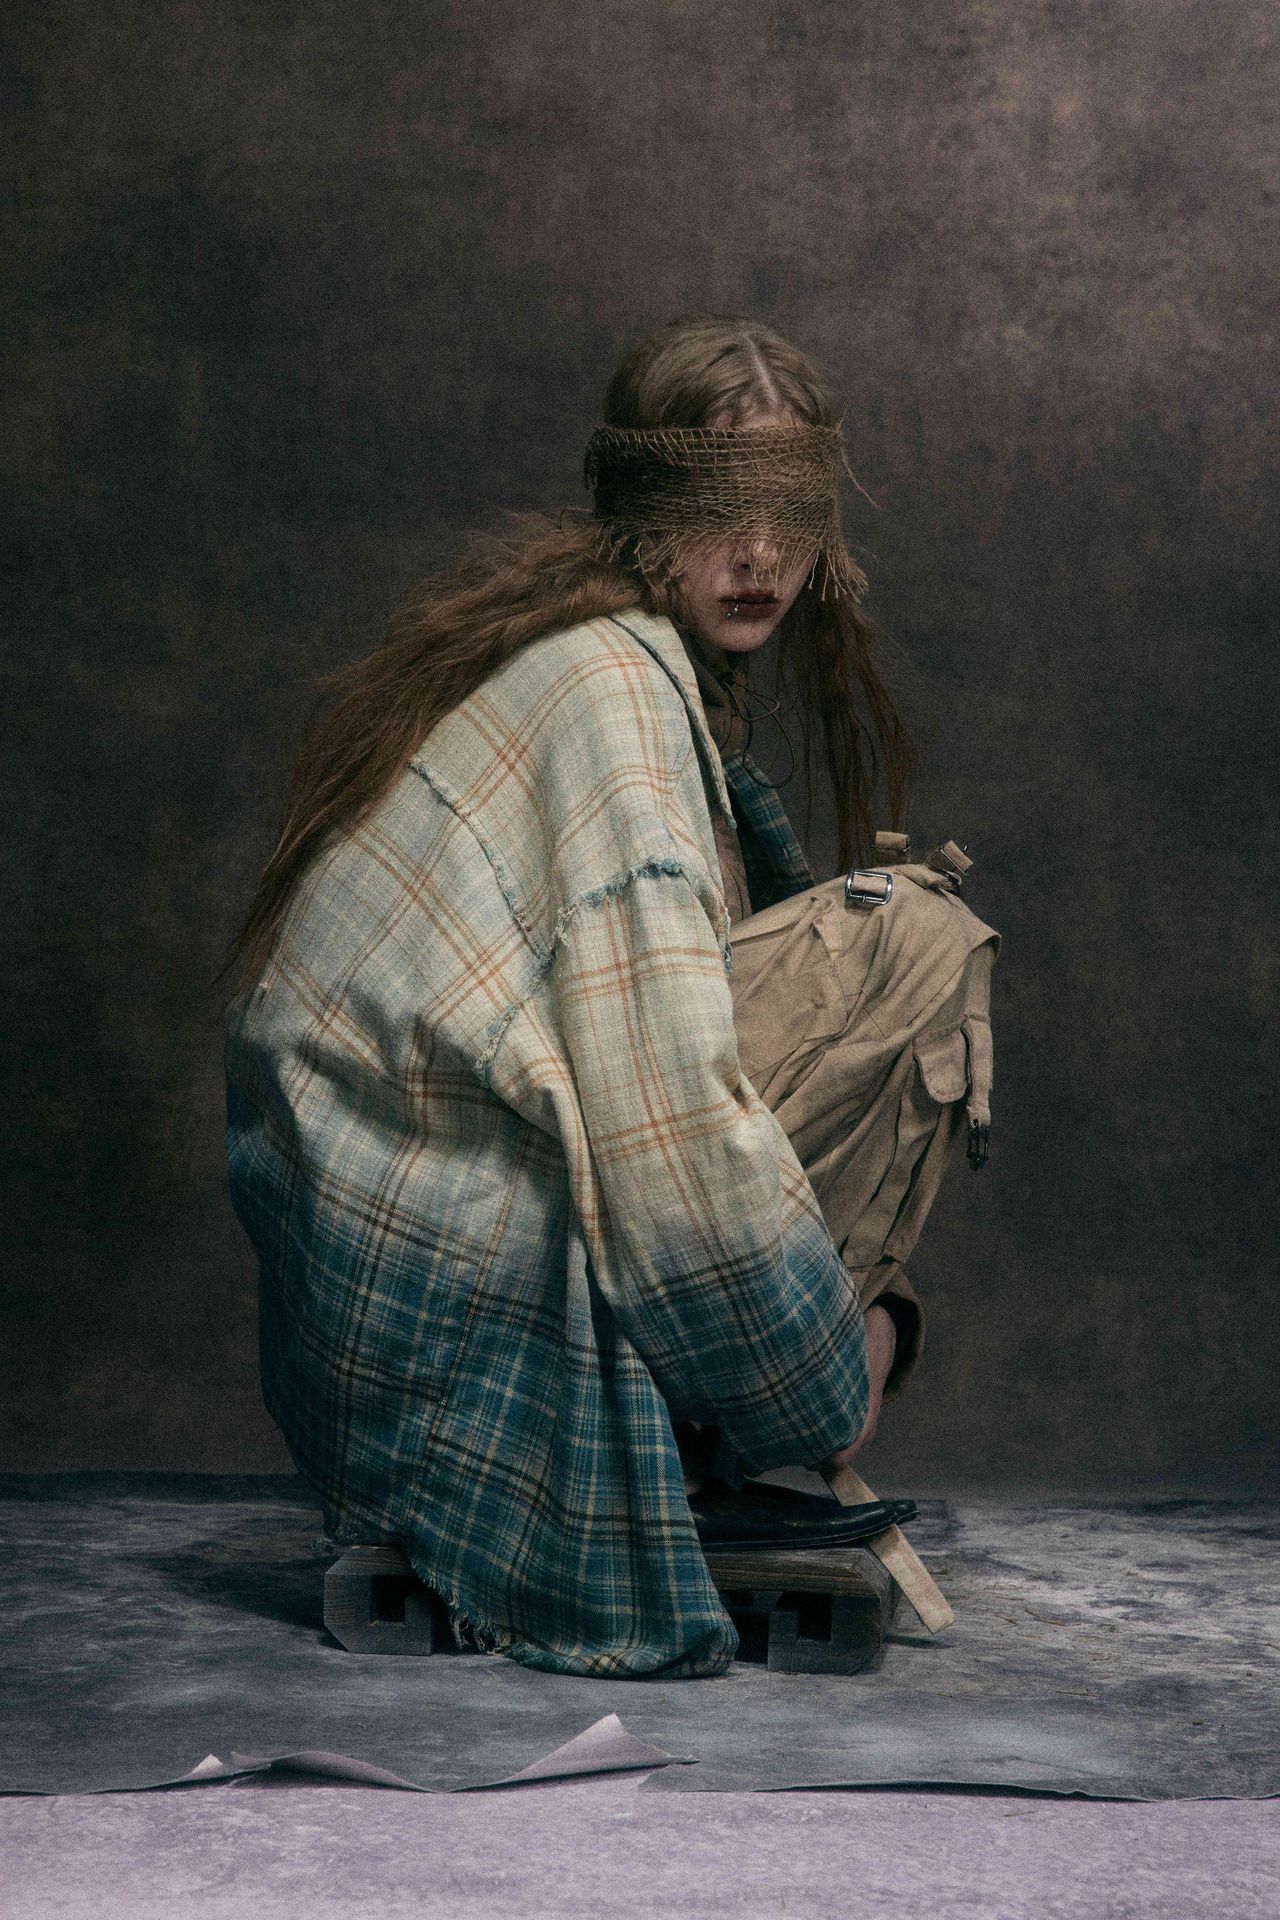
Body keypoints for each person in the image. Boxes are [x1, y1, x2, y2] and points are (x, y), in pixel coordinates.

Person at [222, 314, 998, 1679]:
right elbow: (667, 1127)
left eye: (790, 515)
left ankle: (734, 1385)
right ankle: (746, 1393)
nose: (759, 557)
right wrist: (830, 1380)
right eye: (716, 512)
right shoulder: (611, 694)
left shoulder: (608, 655)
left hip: (372, 1299)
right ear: (642, 512)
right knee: (912, 940)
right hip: (438, 1306)